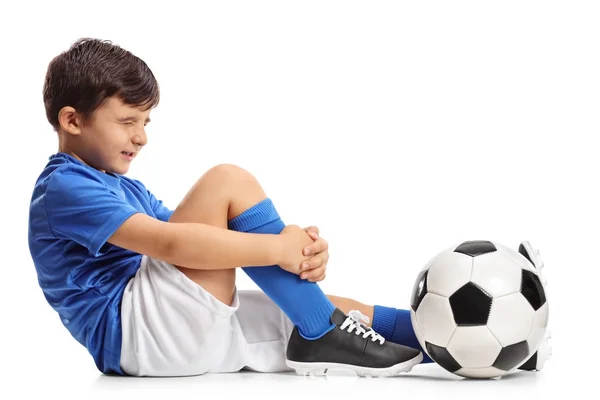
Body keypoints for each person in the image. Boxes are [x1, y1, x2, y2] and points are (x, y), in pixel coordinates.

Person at [28, 38, 547, 378]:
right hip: (135, 333)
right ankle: (321, 331)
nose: (141, 137)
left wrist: (290, 254)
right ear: (72, 121)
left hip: (163, 337)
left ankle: (476, 350)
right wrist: (276, 248)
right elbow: (170, 243)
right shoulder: (65, 187)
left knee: (306, 309)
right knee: (226, 181)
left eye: (147, 123)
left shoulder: (118, 184)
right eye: (127, 122)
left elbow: (198, 240)